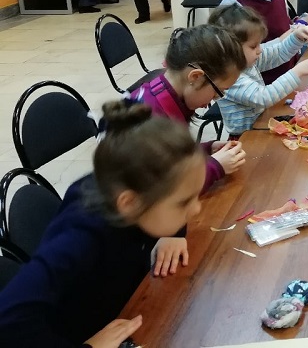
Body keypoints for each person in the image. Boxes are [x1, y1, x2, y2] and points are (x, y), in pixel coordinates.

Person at [0, 101, 205, 348]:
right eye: (184, 203)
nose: (196, 209)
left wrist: (175, 233)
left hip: (122, 308)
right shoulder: (80, 239)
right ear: (129, 203)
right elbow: (8, 320)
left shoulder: (131, 190)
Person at [129, 25, 247, 195]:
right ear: (196, 77)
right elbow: (165, 190)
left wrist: (206, 149)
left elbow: (171, 157)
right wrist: (216, 166)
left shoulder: (165, 93)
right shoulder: (150, 119)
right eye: (217, 92)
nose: (214, 100)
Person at [209, 3, 308, 138]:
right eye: (253, 46)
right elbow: (264, 97)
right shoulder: (229, 79)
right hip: (245, 138)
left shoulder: (246, 61)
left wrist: (297, 37)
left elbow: (278, 53)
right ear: (230, 49)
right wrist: (297, 72)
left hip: (260, 125)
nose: (259, 50)